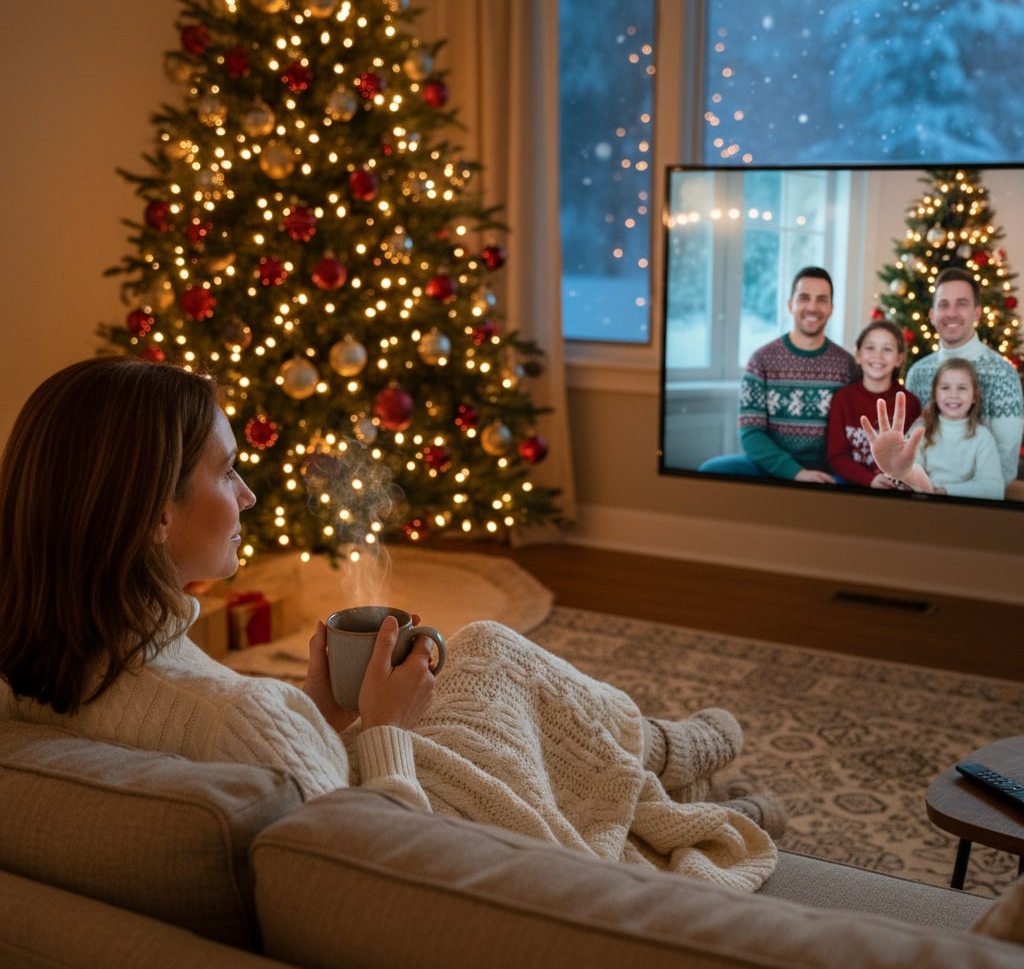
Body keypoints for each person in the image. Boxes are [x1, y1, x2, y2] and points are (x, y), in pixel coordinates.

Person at [0, 356, 783, 891]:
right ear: (151, 518)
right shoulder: (241, 716)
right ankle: (665, 770)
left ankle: (659, 755)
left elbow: (286, 779)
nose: (248, 496)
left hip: (348, 780)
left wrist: (324, 715)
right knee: (489, 651)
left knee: (473, 665)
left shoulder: (27, 675)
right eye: (227, 469)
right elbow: (394, 881)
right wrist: (381, 732)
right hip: (419, 819)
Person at [699, 266, 857, 482]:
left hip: (827, 471)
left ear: (831, 308)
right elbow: (751, 433)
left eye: (822, 300)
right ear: (790, 305)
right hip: (771, 465)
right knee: (711, 470)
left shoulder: (847, 366)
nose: (812, 307)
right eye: (804, 298)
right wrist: (795, 473)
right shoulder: (761, 361)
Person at [905, 267, 1023, 494]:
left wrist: (949, 493)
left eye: (961, 303)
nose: (951, 313)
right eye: (943, 304)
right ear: (932, 314)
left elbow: (1004, 470)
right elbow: (913, 448)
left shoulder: (1002, 374)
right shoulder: (917, 373)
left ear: (977, 313)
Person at [860, 360, 1004, 500]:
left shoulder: (983, 437)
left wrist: (946, 491)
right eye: (945, 388)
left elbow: (994, 489)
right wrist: (903, 476)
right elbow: (911, 471)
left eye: (962, 388)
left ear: (974, 396)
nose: (953, 395)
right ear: (935, 394)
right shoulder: (921, 429)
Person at [827, 319, 922, 487]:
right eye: (870, 348)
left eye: (887, 349)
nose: (878, 355)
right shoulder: (843, 399)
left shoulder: (909, 403)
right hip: (851, 483)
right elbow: (837, 456)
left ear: (899, 359)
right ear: (858, 355)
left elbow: (915, 456)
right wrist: (869, 480)